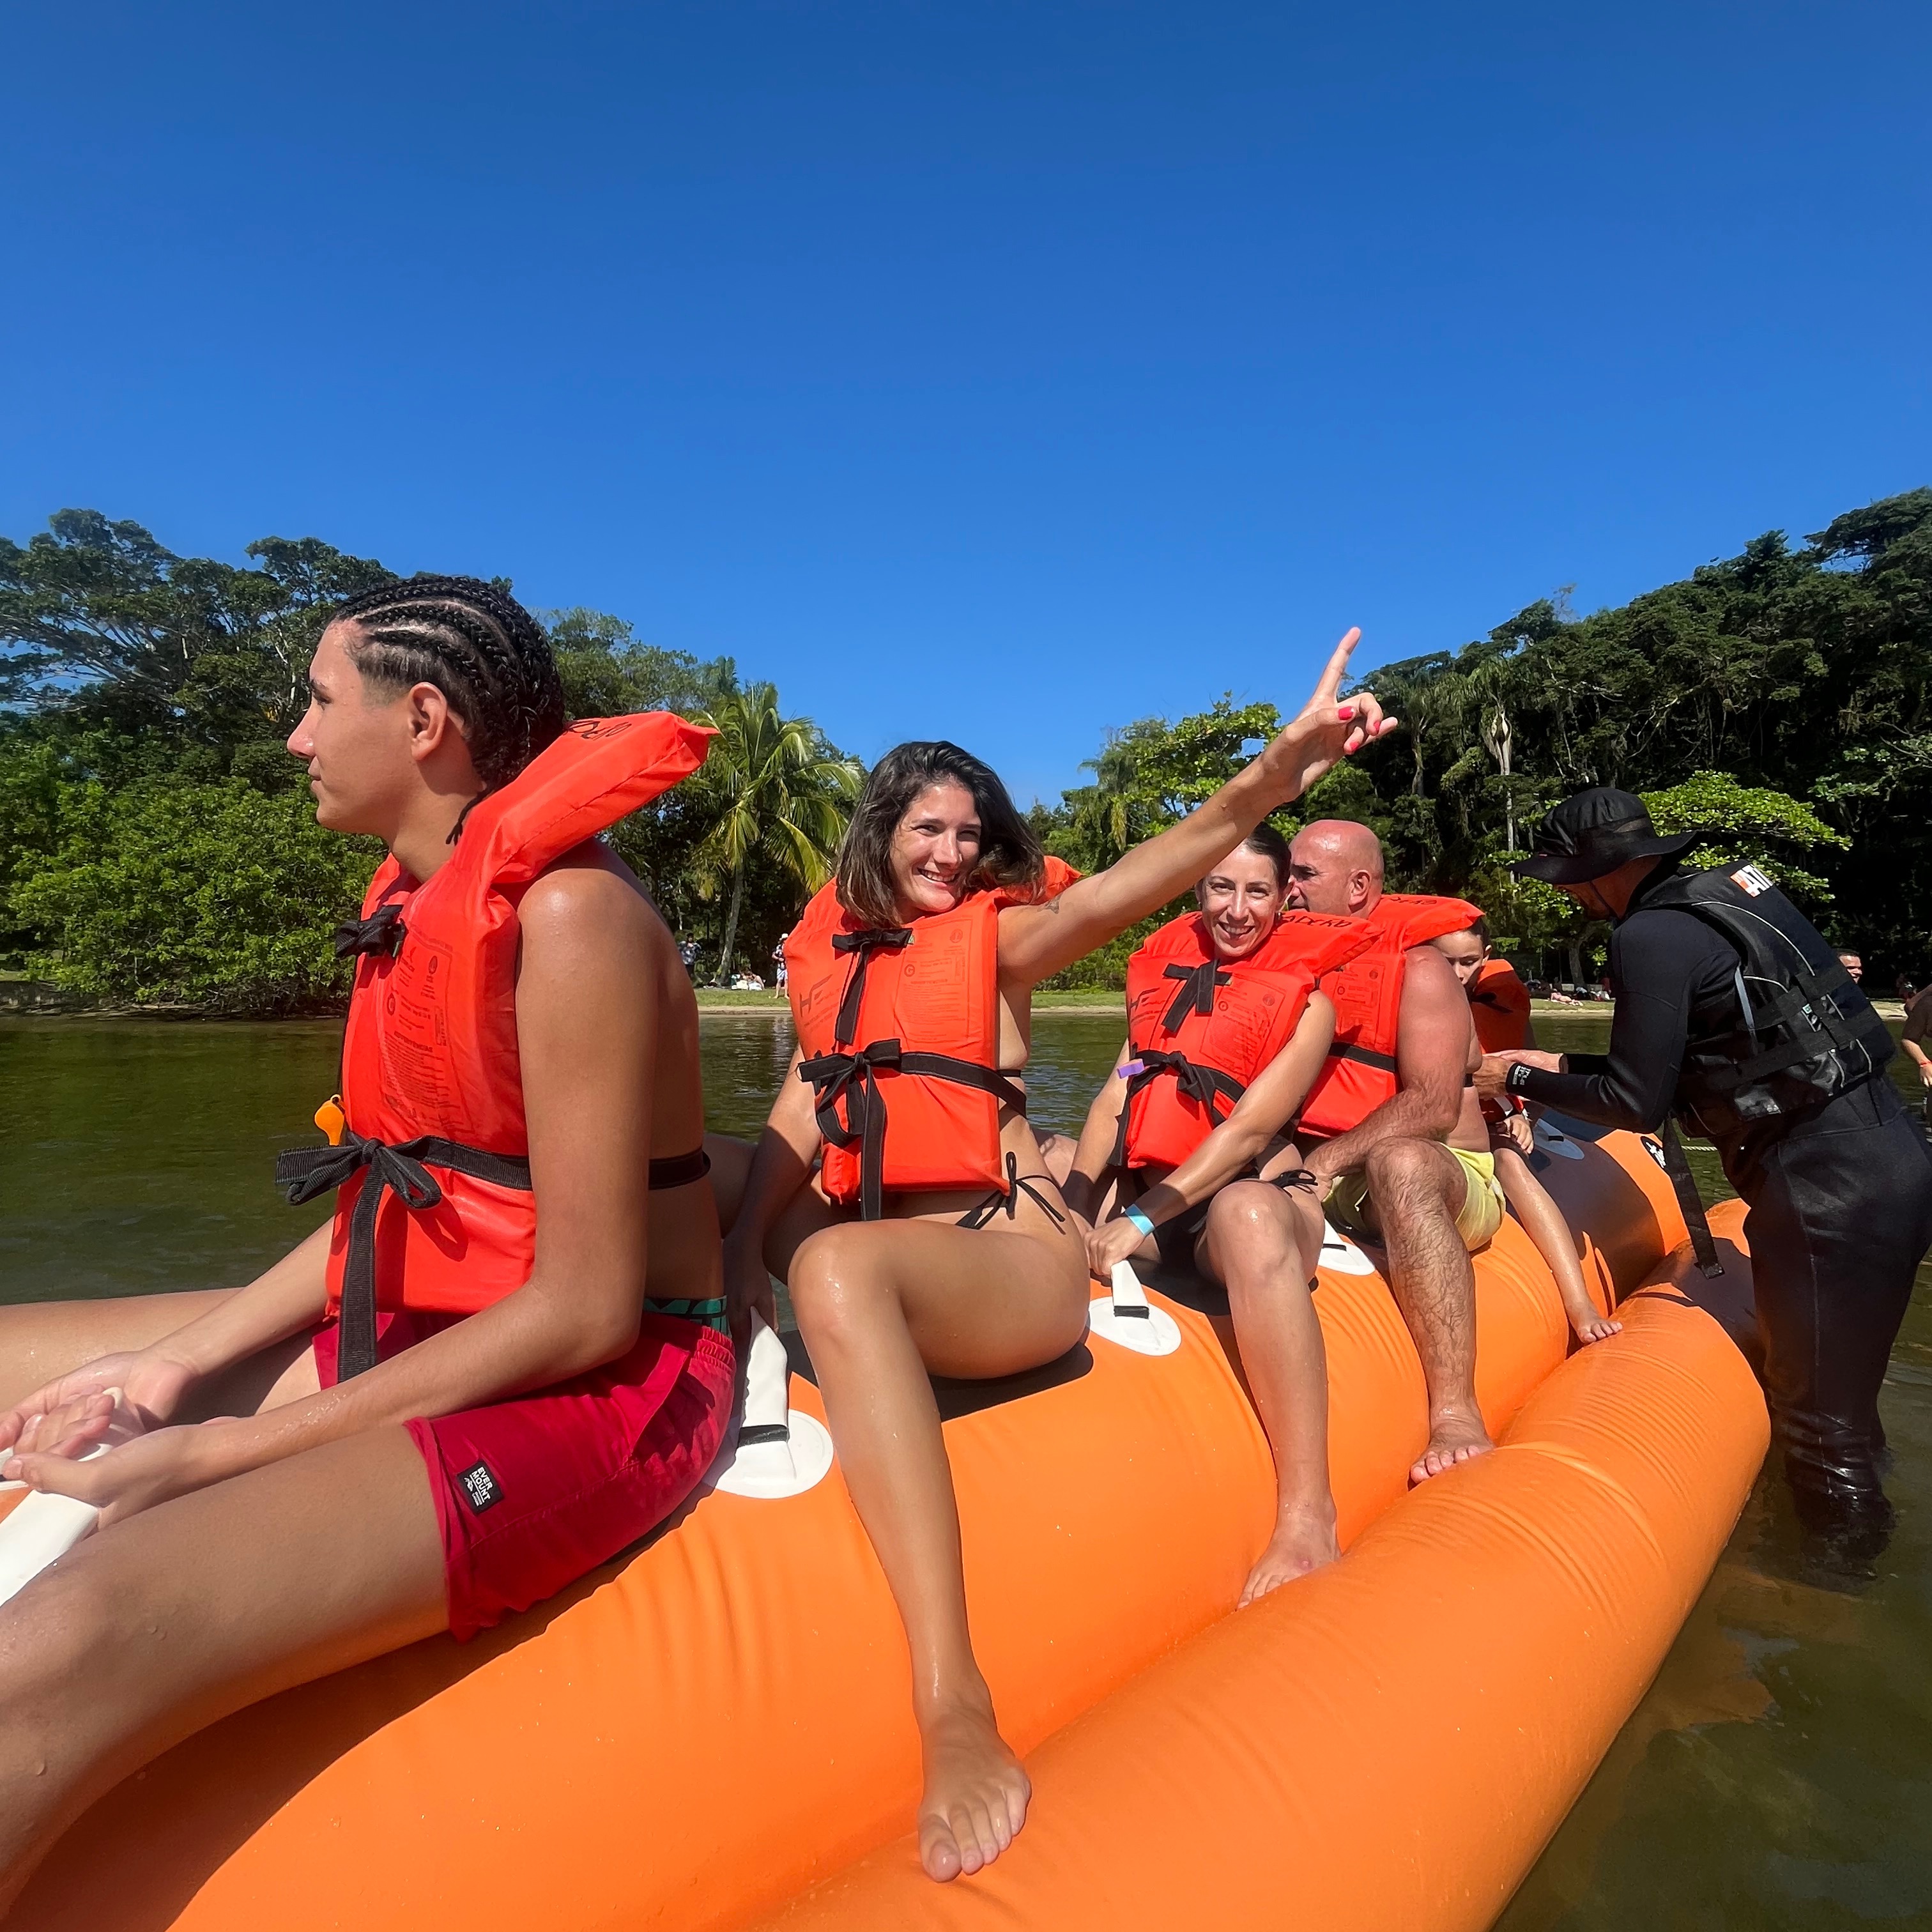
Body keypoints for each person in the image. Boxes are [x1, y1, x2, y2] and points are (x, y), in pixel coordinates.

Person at [0, 579, 734, 1913]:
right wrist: (175, 1364)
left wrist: (217, 1450)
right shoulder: (408, 899)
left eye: (318, 700)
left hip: (620, 1382)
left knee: (72, 1632)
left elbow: (584, 1310)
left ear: (424, 721)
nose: (294, 736)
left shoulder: (571, 918)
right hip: (440, 1320)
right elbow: (392, 1200)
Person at [720, 632, 1393, 1884]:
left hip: (999, 1258)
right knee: (702, 1173)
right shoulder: (827, 960)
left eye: (970, 835)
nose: (952, 853)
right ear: (880, 831)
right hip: (881, 1229)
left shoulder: (997, 942)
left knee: (837, 1271)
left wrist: (1268, 784)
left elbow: (1124, 886)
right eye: (928, 829)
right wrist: (727, 1268)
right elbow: (802, 1119)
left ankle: (953, 1696)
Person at [1476, 788, 1932, 1549]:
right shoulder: (1724, 899)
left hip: (1827, 1192)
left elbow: (1632, 1100)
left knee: (1820, 1426)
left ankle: (1835, 1593)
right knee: (1844, 1403)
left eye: (1564, 876)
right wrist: (1558, 1062)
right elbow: (1712, 1063)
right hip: (1894, 1157)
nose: (1564, 892)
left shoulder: (1648, 936)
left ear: (1597, 872)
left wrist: (1514, 1080)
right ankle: (1859, 1541)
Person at [1061, 826, 1363, 1606]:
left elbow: (1250, 1133)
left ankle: (1309, 1513)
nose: (1237, 909)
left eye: (1256, 891)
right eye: (1220, 889)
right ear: (1197, 892)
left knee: (1247, 1214)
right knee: (1045, 1153)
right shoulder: (1166, 982)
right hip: (1155, 1196)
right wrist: (1068, 1212)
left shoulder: (1310, 1005)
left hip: (1247, 1207)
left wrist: (1140, 1222)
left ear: (1283, 898)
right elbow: (1117, 1095)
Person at [1278, 822, 1499, 1485]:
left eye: (1304, 875)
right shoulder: (1282, 962)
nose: (1287, 888)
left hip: (1443, 1176)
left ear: (1359, 887)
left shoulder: (1424, 971)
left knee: (1398, 1162)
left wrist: (1321, 1164)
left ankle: (1456, 1410)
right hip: (1325, 1172)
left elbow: (1432, 1106)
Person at [1429, 922, 1620, 1347]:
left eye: (1469, 962)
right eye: (1445, 962)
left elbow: (1528, 1077)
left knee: (1512, 1162)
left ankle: (1579, 1302)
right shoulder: (1409, 1001)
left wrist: (1523, 1117)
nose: (1457, 974)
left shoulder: (1503, 1000)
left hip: (1491, 1124)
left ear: (1487, 954)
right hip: (1434, 1127)